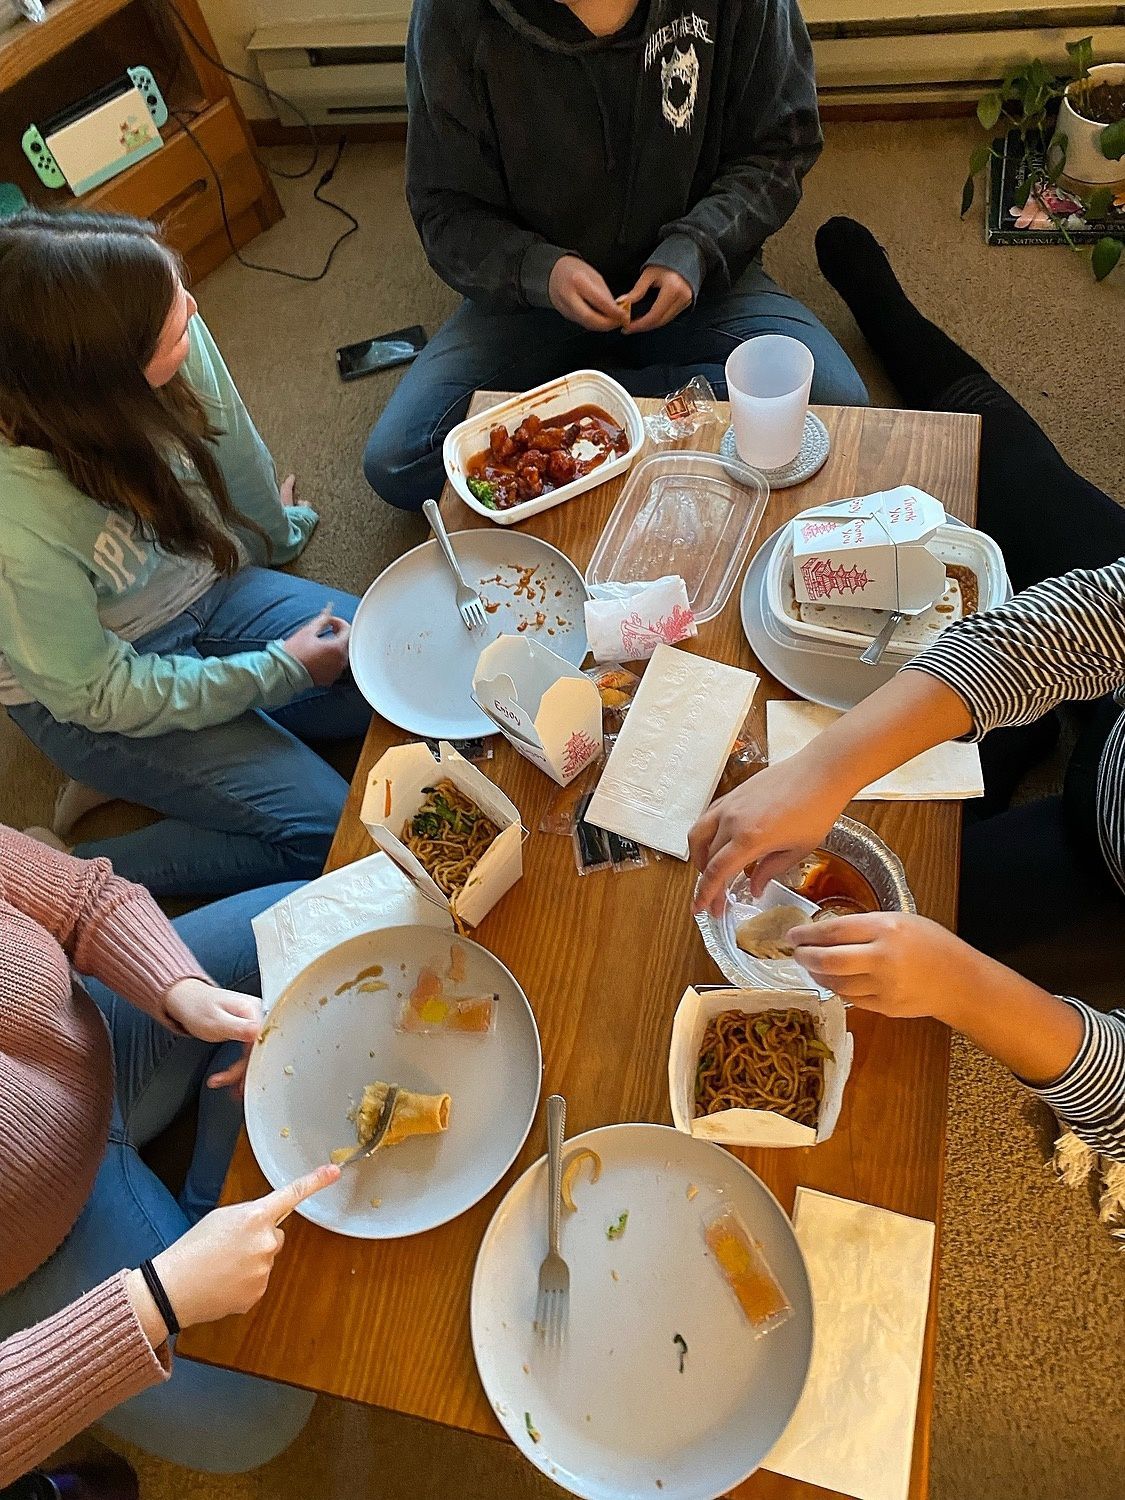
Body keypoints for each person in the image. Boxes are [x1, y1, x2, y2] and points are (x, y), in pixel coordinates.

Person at [689, 216, 1125, 1171]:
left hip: (1104, 869)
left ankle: (1011, 762)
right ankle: (881, 304)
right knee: (1008, 470)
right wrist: (822, 768)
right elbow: (1072, 626)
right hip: (1114, 723)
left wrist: (965, 989)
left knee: (887, 919)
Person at [363, 0, 870, 512]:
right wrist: (539, 270)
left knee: (835, 405)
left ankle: (590, 400)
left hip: (700, 278)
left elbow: (781, 146)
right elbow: (444, 205)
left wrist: (697, 246)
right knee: (400, 461)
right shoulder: (450, 15)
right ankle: (618, 404)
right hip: (531, 301)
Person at [0, 210, 370, 898]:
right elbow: (97, 691)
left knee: (396, 667)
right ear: (101, 384)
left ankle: (172, 769)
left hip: (200, 588)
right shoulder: (15, 522)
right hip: (85, 690)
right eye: (173, 324)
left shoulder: (163, 320)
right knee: (327, 832)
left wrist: (274, 532)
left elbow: (231, 442)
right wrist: (277, 672)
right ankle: (60, 876)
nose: (195, 312)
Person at [0, 827, 341, 1485]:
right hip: (33, 1257)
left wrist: (178, 988)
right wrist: (155, 1299)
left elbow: (78, 897)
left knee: (321, 926)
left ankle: (211, 1172)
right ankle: (210, 1187)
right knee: (260, 1414)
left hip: (93, 1050)